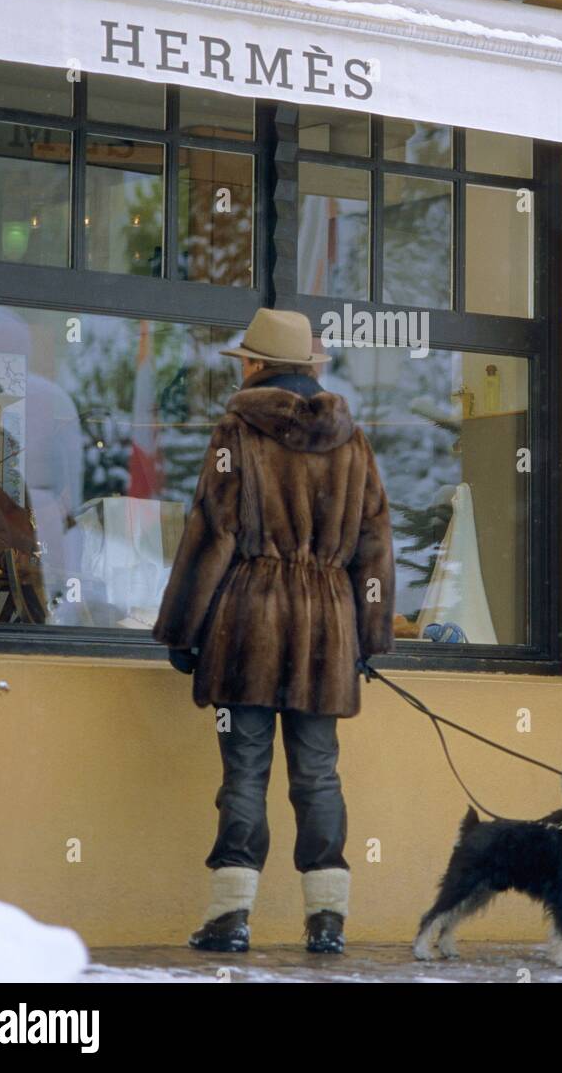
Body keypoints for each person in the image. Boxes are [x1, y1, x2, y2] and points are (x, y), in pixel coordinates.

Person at [153, 309, 395, 955]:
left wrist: (183, 630)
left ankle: (231, 915)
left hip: (248, 626)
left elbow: (211, 534)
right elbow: (374, 547)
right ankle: (327, 920)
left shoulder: (238, 431)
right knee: (318, 775)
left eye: (247, 361)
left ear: (259, 366)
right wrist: (369, 638)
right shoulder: (354, 440)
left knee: (245, 773)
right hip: (328, 629)